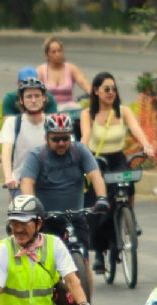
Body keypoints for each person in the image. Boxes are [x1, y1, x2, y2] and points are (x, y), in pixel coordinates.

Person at [20, 114, 109, 294]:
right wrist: (31, 207)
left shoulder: (79, 151)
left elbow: (95, 175)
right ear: (46, 138)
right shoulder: (37, 156)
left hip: (76, 217)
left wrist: (102, 198)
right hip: (47, 220)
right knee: (45, 263)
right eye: (56, 139)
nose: (61, 143)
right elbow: (27, 182)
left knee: (83, 261)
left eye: (65, 138)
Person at [80, 71, 155, 273]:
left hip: (118, 159)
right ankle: (100, 253)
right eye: (106, 89)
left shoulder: (123, 112)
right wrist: (79, 155)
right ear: (96, 91)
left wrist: (147, 146)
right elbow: (86, 136)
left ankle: (129, 217)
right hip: (98, 162)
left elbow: (137, 130)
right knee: (99, 206)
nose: (110, 92)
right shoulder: (88, 114)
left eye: (113, 89)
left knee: (127, 185)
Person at [0, 77, 51, 195]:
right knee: (22, 211)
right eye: (29, 96)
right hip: (20, 182)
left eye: (37, 96)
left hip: (49, 184)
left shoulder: (52, 122)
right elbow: (6, 152)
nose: (33, 100)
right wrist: (8, 177)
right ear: (21, 100)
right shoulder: (13, 122)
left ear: (44, 98)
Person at [36, 38, 91, 110]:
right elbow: (33, 91)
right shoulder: (40, 70)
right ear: (47, 55)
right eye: (53, 52)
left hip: (69, 109)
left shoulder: (72, 68)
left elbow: (84, 83)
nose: (57, 54)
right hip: (48, 110)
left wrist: (94, 94)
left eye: (59, 51)